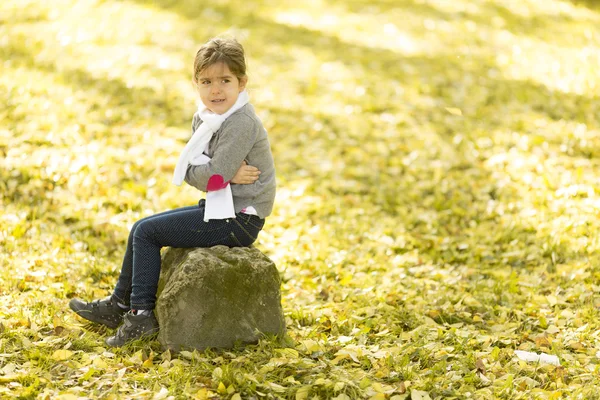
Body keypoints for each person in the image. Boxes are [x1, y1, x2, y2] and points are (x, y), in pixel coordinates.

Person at [69, 37, 276, 347]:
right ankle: (119, 305)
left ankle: (140, 316)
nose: (215, 89)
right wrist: (223, 175)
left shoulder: (240, 123)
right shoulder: (207, 119)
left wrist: (219, 175)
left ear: (242, 83)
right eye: (206, 81)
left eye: (225, 80)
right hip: (221, 209)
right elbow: (205, 174)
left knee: (147, 234)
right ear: (196, 83)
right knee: (140, 227)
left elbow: (212, 179)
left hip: (239, 221)